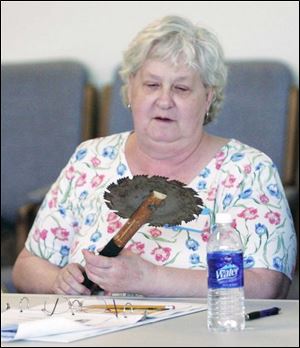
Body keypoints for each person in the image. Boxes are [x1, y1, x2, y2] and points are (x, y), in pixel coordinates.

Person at [12, 15, 296, 298]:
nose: (164, 100)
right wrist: (59, 281)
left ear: (208, 98)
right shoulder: (90, 159)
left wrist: (150, 278)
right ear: (131, 88)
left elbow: (268, 285)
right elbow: (26, 267)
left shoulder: (248, 170)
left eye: (181, 88)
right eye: (151, 85)